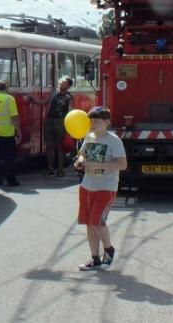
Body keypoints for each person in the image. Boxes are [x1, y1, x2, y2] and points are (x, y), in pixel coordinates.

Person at [73, 107, 127, 270]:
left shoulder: (114, 140)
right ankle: (95, 258)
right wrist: (80, 161)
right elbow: (82, 154)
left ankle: (109, 250)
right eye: (90, 121)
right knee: (89, 223)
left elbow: (122, 164)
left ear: (107, 123)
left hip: (106, 187)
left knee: (97, 221)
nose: (92, 124)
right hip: (87, 185)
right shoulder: (88, 137)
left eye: (96, 121)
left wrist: (99, 165)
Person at [41, 76, 74, 177]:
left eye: (64, 82)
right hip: (50, 121)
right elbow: (45, 102)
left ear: (68, 86)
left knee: (60, 147)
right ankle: (50, 169)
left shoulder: (70, 97)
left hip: (61, 122)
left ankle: (60, 170)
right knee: (49, 146)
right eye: (61, 81)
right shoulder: (53, 93)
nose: (61, 83)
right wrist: (33, 101)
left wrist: (68, 127)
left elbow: (70, 112)